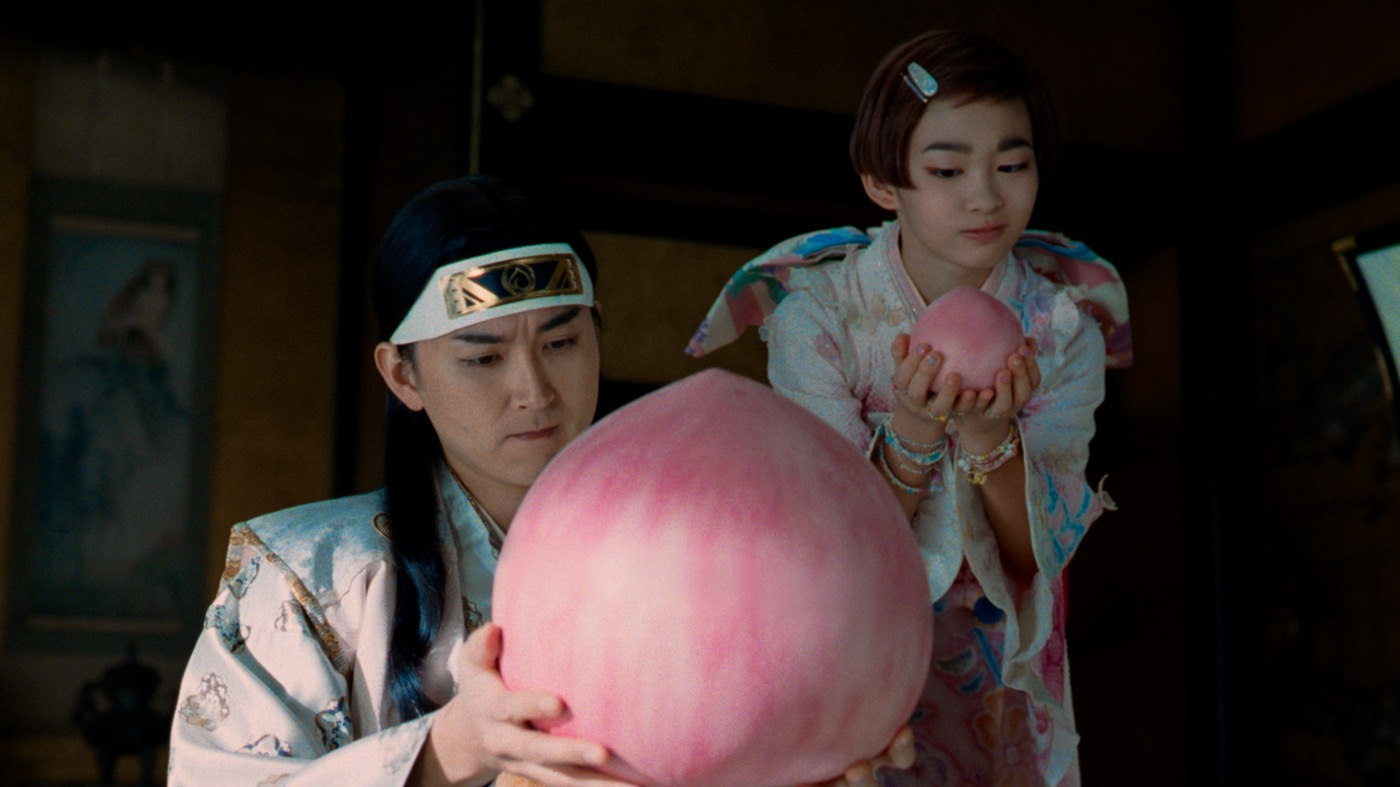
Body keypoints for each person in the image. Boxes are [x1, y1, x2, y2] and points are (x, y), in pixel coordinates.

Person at [169, 176, 912, 787]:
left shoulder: (708, 550)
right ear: (403, 375)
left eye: (561, 341)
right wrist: (456, 746)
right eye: (483, 358)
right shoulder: (308, 573)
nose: (534, 390)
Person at [688, 30, 1131, 786]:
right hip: (852, 647)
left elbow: (1037, 555)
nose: (985, 196)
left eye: (1012, 165)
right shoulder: (819, 317)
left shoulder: (1061, 332)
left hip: (996, 670)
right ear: (883, 181)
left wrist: (990, 435)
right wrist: (915, 431)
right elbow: (830, 542)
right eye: (948, 169)